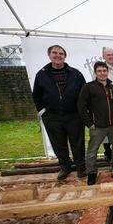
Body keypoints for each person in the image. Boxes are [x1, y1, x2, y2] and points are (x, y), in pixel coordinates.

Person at [32, 45, 86, 181]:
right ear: (49, 55)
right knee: (58, 143)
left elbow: (84, 93)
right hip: (52, 116)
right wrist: (43, 111)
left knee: (77, 142)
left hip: (74, 115)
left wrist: (82, 111)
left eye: (61, 53)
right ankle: (65, 167)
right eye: (54, 53)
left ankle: (81, 167)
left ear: (65, 56)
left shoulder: (75, 73)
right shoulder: (42, 74)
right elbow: (36, 95)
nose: (58, 55)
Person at [78, 62, 113, 185]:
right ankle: (91, 172)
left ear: (107, 72)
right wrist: (89, 123)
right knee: (92, 150)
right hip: (97, 126)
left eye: (104, 71)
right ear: (95, 73)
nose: (102, 73)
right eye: (99, 71)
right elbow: (81, 106)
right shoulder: (88, 87)